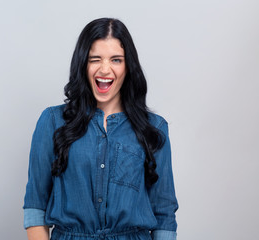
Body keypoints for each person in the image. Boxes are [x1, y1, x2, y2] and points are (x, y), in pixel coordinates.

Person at [23, 18, 178, 240]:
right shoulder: (52, 121)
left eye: (116, 60)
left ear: (128, 66)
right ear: (83, 64)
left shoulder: (154, 128)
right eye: (95, 59)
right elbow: (35, 208)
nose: (105, 69)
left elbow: (164, 215)